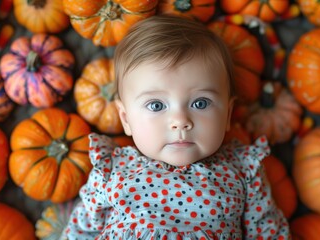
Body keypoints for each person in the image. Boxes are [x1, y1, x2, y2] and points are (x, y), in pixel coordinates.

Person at [63, 14, 290, 239]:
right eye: (156, 105)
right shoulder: (111, 171)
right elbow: (80, 231)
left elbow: (269, 233)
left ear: (228, 114)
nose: (180, 120)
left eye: (200, 103)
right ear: (125, 119)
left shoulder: (243, 171)